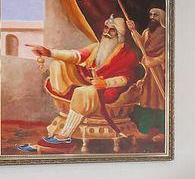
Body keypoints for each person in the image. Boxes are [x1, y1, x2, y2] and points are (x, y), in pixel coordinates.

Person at [24, 15, 142, 151]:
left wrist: (105, 83)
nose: (106, 33)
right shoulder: (97, 47)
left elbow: (126, 79)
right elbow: (76, 56)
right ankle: (67, 95)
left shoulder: (127, 53)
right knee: (58, 64)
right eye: (106, 28)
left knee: (82, 92)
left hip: (109, 89)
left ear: (120, 34)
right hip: (88, 81)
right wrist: (49, 52)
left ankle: (64, 137)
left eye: (112, 30)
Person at [127, 7, 167, 141]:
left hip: (159, 71)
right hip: (146, 71)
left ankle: (164, 132)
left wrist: (155, 61)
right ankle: (144, 130)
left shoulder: (167, 34)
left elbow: (168, 54)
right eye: (150, 14)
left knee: (160, 101)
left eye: (155, 15)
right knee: (145, 100)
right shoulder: (146, 32)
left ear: (161, 17)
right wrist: (133, 30)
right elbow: (141, 45)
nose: (152, 17)